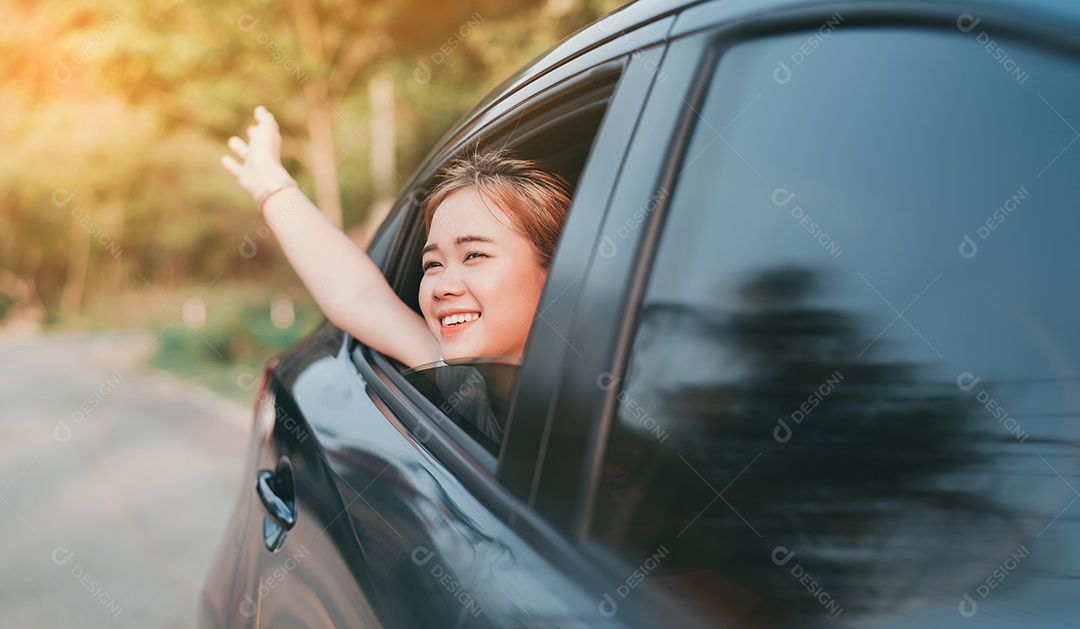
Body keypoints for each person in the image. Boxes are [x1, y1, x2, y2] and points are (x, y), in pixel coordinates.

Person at [221, 106, 572, 369]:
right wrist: (267, 180)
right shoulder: (470, 386)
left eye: (474, 255)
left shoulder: (597, 409)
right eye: (432, 263)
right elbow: (359, 296)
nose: (441, 286)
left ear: (554, 270)